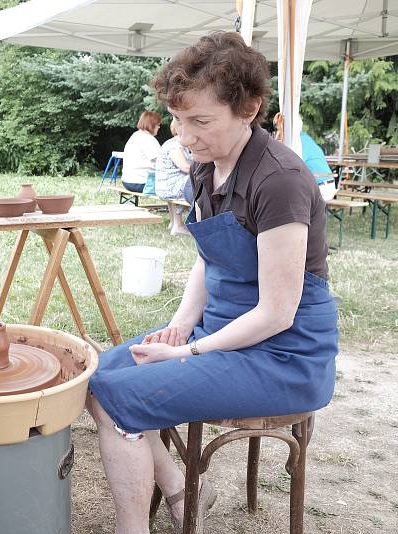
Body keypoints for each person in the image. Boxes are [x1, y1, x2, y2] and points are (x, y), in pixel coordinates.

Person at [89, 32, 338, 534]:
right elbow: (210, 259)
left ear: (249, 108)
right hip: (220, 334)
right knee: (97, 380)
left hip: (283, 355)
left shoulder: (280, 180)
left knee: (122, 398)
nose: (184, 135)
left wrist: (187, 354)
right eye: (179, 119)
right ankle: (182, 494)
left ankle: (130, 527)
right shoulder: (206, 167)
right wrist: (181, 327)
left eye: (200, 121)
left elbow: (277, 313)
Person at [155, 120, 194, 235]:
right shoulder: (174, 146)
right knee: (195, 184)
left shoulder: (173, 144)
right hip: (169, 185)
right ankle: (178, 226)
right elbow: (185, 168)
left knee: (187, 182)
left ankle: (174, 223)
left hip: (166, 184)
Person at [121, 111, 162, 193]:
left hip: (127, 181)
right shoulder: (149, 139)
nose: (159, 127)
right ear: (152, 125)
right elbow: (161, 161)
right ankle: (177, 206)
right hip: (142, 183)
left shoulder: (135, 135)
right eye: (158, 125)